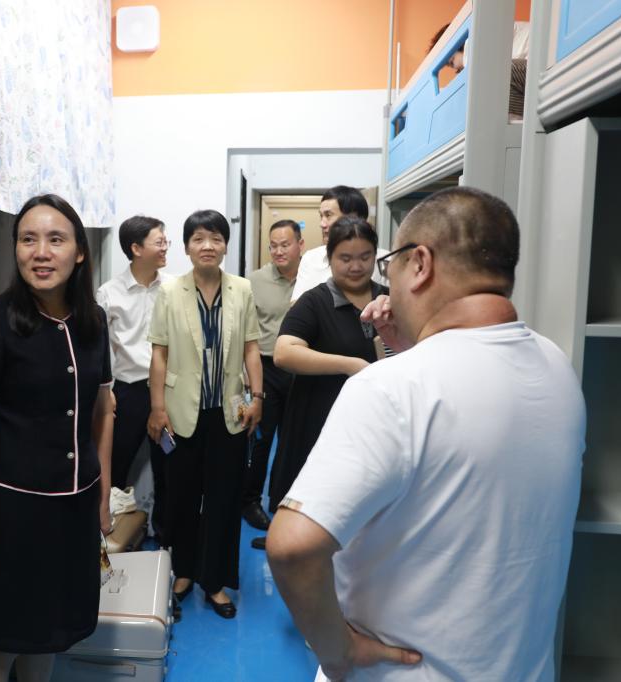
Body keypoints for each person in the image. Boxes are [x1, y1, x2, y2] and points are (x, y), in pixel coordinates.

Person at [267, 187, 586, 681]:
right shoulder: (556, 366)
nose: (384, 280)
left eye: (388, 262)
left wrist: (339, 650)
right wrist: (413, 347)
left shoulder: (390, 387)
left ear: (420, 264)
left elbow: (293, 547)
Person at [0, 194, 114, 682]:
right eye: (28, 240)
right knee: (1, 644)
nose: (40, 253)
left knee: (51, 634)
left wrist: (104, 493)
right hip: (12, 515)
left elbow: (102, 411)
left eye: (55, 240)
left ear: (79, 252)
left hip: (75, 508)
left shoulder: (93, 322)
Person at [147, 209, 262, 619]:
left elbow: (251, 347)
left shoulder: (241, 290)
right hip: (180, 411)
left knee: (224, 499)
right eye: (198, 239)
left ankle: (214, 581)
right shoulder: (169, 292)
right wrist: (157, 407)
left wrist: (258, 397)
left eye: (215, 238)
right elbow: (159, 354)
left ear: (225, 245)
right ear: (187, 247)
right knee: (180, 497)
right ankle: (183, 572)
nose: (207, 246)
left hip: (227, 412)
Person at [267, 217, 388, 518]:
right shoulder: (315, 302)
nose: (356, 266)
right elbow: (284, 353)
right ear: (329, 258)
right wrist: (350, 365)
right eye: (345, 258)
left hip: (375, 425)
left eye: (365, 257)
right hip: (318, 421)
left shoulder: (388, 299)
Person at [96, 215, 172, 544]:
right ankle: (109, 533)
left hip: (166, 391)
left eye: (166, 241)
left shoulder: (173, 288)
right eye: (159, 241)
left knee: (167, 464)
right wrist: (106, 390)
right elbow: (99, 347)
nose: (165, 247)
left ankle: (165, 534)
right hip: (127, 392)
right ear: (136, 248)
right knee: (116, 462)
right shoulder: (108, 293)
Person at [242, 219, 304, 536]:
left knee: (294, 438)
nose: (278, 251)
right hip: (265, 368)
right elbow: (245, 333)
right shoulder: (254, 281)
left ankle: (284, 500)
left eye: (285, 244)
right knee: (262, 438)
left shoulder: (313, 277)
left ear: (300, 245)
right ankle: (250, 501)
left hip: (302, 369)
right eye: (273, 246)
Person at [291, 186, 387, 303]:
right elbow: (296, 304)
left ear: (353, 217)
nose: (322, 224)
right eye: (321, 216)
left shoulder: (384, 261)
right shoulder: (310, 259)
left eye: (328, 215)